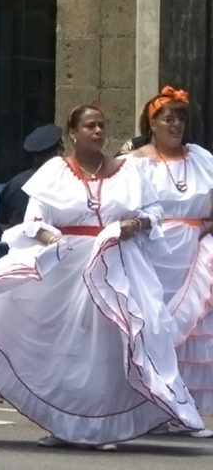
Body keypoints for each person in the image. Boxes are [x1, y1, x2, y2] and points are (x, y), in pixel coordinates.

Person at [0, 104, 204, 450]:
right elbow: (33, 219)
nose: (98, 131)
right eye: (90, 125)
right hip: (67, 270)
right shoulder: (55, 171)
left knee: (108, 348)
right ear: (73, 133)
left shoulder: (128, 171)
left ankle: (101, 427)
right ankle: (64, 425)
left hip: (116, 267)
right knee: (67, 348)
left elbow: (153, 213)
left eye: (102, 125)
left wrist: (132, 226)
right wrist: (51, 238)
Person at [131, 86, 213, 435]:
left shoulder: (200, 157)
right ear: (152, 123)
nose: (176, 124)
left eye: (181, 118)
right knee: (154, 328)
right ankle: (151, 408)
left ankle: (185, 409)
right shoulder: (136, 162)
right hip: (154, 252)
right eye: (169, 118)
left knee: (193, 330)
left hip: (192, 253)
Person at [0, 124, 63, 228]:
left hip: (19, 243)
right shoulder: (64, 181)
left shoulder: (14, 184)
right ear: (59, 149)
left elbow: (3, 223)